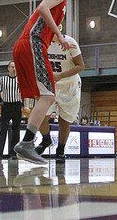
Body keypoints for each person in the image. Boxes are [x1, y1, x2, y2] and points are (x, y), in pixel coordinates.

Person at [11, 0, 74, 165]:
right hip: (33, 44)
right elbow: (42, 8)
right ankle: (27, 142)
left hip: (25, 46)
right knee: (48, 96)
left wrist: (56, 34)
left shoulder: (59, 8)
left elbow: (41, 20)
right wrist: (59, 34)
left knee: (43, 96)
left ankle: (28, 142)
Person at [35, 32, 84, 162]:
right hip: (50, 84)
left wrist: (61, 76)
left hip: (69, 85)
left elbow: (81, 66)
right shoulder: (41, 43)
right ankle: (46, 140)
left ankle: (60, 150)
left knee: (64, 121)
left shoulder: (70, 42)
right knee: (40, 116)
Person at [0, 61, 23, 159]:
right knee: (3, 130)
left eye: (15, 67)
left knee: (16, 130)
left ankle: (13, 154)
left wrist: (26, 105)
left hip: (17, 105)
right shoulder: (3, 79)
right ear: (8, 68)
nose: (14, 68)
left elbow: (25, 93)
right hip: (6, 106)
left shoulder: (20, 80)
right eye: (12, 66)